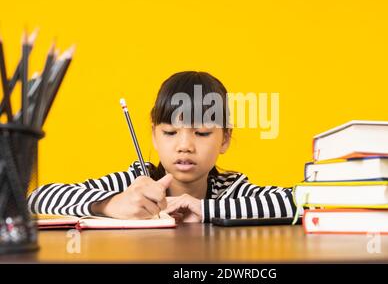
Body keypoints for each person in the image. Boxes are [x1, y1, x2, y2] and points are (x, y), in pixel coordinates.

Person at [28, 71, 297, 223]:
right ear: (155, 138)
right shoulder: (136, 180)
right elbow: (38, 197)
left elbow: (302, 200)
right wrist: (109, 205)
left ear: (225, 139)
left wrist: (206, 209)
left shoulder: (229, 189)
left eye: (202, 133)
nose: (184, 146)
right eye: (169, 132)